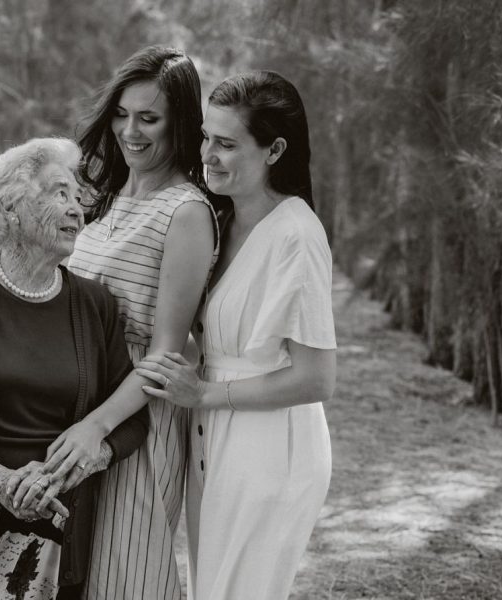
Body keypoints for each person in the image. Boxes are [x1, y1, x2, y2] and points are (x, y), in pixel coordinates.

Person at [0, 137, 150, 600]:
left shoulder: (95, 305)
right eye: (60, 193)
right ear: (11, 207)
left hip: (55, 536)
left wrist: (83, 462)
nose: (77, 209)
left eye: (79, 198)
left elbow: (133, 420)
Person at [136, 71, 337, 600]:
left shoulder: (297, 234)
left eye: (226, 144)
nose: (208, 154)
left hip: (269, 448)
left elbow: (317, 378)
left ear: (274, 150)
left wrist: (204, 393)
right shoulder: (218, 217)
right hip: (211, 435)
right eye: (206, 137)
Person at [46, 46, 221, 599]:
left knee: (128, 579)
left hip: (135, 422)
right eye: (122, 114)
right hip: (71, 414)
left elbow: (167, 353)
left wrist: (97, 427)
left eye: (149, 118)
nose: (130, 131)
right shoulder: (100, 199)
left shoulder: (186, 212)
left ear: (181, 123)